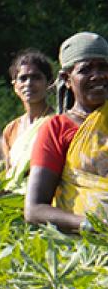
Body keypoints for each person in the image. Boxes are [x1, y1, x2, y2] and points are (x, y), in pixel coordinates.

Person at [25, 32, 108, 231]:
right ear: (67, 79)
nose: (98, 75)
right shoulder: (57, 129)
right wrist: (92, 226)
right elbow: (34, 209)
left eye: (104, 67)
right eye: (86, 69)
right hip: (86, 242)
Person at [2, 50, 54, 194]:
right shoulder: (11, 129)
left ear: (49, 83)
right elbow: (9, 174)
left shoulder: (57, 123)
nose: (29, 84)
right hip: (11, 200)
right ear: (15, 85)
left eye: (36, 77)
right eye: (23, 78)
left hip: (44, 199)